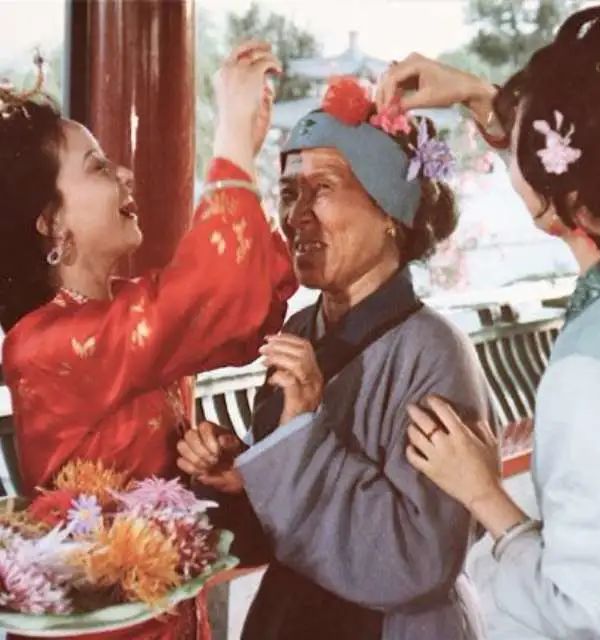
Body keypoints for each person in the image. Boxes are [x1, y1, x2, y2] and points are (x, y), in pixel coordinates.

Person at [177, 75, 492, 640]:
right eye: (288, 193)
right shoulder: (302, 329)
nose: (296, 216)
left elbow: (419, 560)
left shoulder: (435, 352)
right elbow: (285, 529)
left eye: (321, 188)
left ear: (391, 212)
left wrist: (299, 435)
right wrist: (242, 479)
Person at [0, 41, 296, 640]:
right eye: (97, 167)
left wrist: (208, 456)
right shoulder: (45, 345)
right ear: (51, 223)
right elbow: (209, 291)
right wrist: (232, 142)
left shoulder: (118, 313)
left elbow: (244, 314)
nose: (124, 174)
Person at [378, 2, 600, 638]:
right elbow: (571, 161)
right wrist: (477, 94)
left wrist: (485, 495)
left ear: (567, 205)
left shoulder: (589, 375)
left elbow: (584, 615)